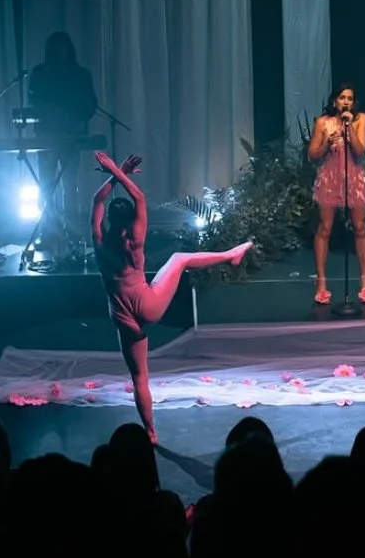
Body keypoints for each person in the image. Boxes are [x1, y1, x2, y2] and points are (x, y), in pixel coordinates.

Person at [91, 150, 252, 445]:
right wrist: (118, 171)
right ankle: (230, 255)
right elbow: (139, 198)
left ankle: (150, 432)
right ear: (129, 220)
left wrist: (113, 175)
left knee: (140, 377)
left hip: (124, 318)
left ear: (111, 222)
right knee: (179, 259)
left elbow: (97, 202)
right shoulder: (135, 240)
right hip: (148, 305)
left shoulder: (100, 242)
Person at [28, 32, 99, 249]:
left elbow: (90, 105)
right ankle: (48, 232)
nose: (59, 52)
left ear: (69, 49)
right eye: (55, 48)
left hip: (71, 136)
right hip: (47, 136)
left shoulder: (79, 74)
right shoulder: (40, 73)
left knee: (70, 184)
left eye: (63, 47)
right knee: (46, 185)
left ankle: (72, 232)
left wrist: (71, 114)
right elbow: (34, 101)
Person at [306, 84, 365, 304]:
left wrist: (348, 127)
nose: (346, 102)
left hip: (353, 178)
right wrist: (327, 142)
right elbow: (313, 155)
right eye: (342, 98)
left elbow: (360, 150)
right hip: (330, 179)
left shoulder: (360, 119)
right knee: (325, 228)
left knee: (360, 228)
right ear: (335, 101)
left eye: (350, 99)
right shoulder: (322, 122)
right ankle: (321, 283)